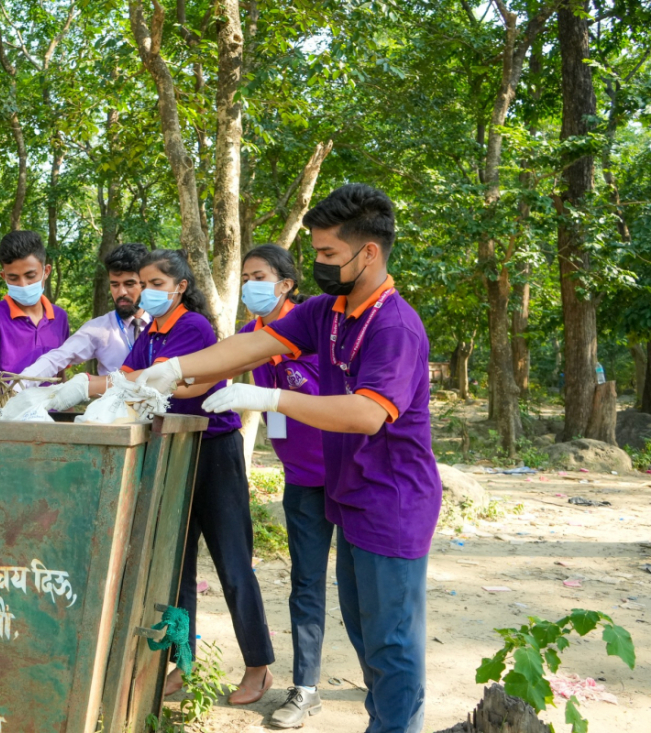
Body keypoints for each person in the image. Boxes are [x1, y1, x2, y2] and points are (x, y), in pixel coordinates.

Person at [137, 184, 441, 733]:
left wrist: (271, 398)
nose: (319, 265)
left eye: (328, 254)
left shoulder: (394, 325)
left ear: (367, 253)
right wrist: (175, 370)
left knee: (392, 643)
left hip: (393, 501)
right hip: (350, 494)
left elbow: (368, 414)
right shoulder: (329, 312)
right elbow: (253, 345)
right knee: (365, 632)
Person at [87, 249, 276, 706]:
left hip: (213, 448)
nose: (146, 293)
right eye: (141, 283)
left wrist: (142, 384)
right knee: (177, 564)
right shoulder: (151, 331)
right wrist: (69, 387)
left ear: (179, 287)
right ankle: (183, 661)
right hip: (174, 449)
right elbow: (127, 378)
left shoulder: (193, 328)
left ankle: (258, 668)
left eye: (154, 284)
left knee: (232, 561)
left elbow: (181, 386)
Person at [237, 245, 331, 728]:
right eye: (246, 276)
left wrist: (279, 395)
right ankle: (306, 688)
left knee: (364, 591)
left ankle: (386, 684)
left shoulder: (315, 328)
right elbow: (211, 369)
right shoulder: (248, 336)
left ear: (286, 284)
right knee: (306, 584)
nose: (251, 284)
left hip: (347, 475)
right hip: (301, 480)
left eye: (260, 276)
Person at [19, 243, 152, 380]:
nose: (121, 292)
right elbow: (59, 357)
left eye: (129, 284)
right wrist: (20, 382)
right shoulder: (100, 328)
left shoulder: (165, 322)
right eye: (115, 284)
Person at [0, 230, 70, 385]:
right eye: (13, 278)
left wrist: (68, 408)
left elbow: (60, 372)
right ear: (4, 277)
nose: (23, 285)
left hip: (52, 408)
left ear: (46, 272)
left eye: (30, 276)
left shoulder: (60, 318)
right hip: (7, 407)